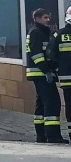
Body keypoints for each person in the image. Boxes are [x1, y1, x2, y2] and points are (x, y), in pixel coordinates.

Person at [26, 8, 67, 144]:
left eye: (48, 17)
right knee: (52, 102)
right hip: (41, 73)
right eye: (45, 17)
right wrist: (46, 70)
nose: (48, 20)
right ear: (37, 18)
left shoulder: (40, 32)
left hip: (40, 73)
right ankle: (53, 135)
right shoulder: (37, 33)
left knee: (42, 104)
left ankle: (41, 135)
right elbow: (36, 54)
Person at [48, 5, 71, 137]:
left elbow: (51, 56)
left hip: (66, 78)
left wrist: (57, 70)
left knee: (69, 105)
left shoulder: (58, 34)